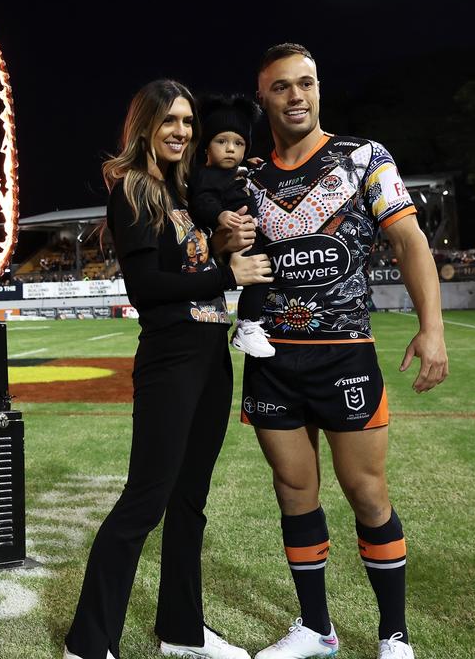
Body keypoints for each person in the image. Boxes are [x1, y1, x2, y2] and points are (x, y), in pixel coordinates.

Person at [240, 44, 448, 659]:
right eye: (282, 87)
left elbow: (410, 240)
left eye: (306, 83)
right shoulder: (247, 177)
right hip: (271, 360)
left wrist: (431, 328)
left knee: (366, 492)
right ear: (264, 99)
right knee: (293, 490)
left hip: (345, 357)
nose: (296, 96)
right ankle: (315, 629)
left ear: (319, 90)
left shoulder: (363, 158)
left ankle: (393, 636)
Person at [63, 79, 272, 659]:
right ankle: (87, 643)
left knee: (189, 502)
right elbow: (147, 287)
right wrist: (230, 276)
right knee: (144, 501)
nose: (181, 130)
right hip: (170, 357)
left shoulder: (182, 191)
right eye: (169, 121)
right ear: (145, 128)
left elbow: (195, 265)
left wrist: (223, 241)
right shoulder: (133, 188)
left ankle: (181, 632)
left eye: (187, 121)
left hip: (210, 354)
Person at [188, 94, 274, 358]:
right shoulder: (204, 174)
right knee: (258, 278)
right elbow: (201, 200)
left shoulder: (239, 171)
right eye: (221, 141)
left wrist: (251, 166)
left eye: (238, 143)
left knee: (263, 279)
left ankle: (250, 324)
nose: (230, 149)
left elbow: (237, 178)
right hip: (231, 238)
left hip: (251, 234)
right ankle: (247, 326)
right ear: (206, 147)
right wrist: (220, 215)